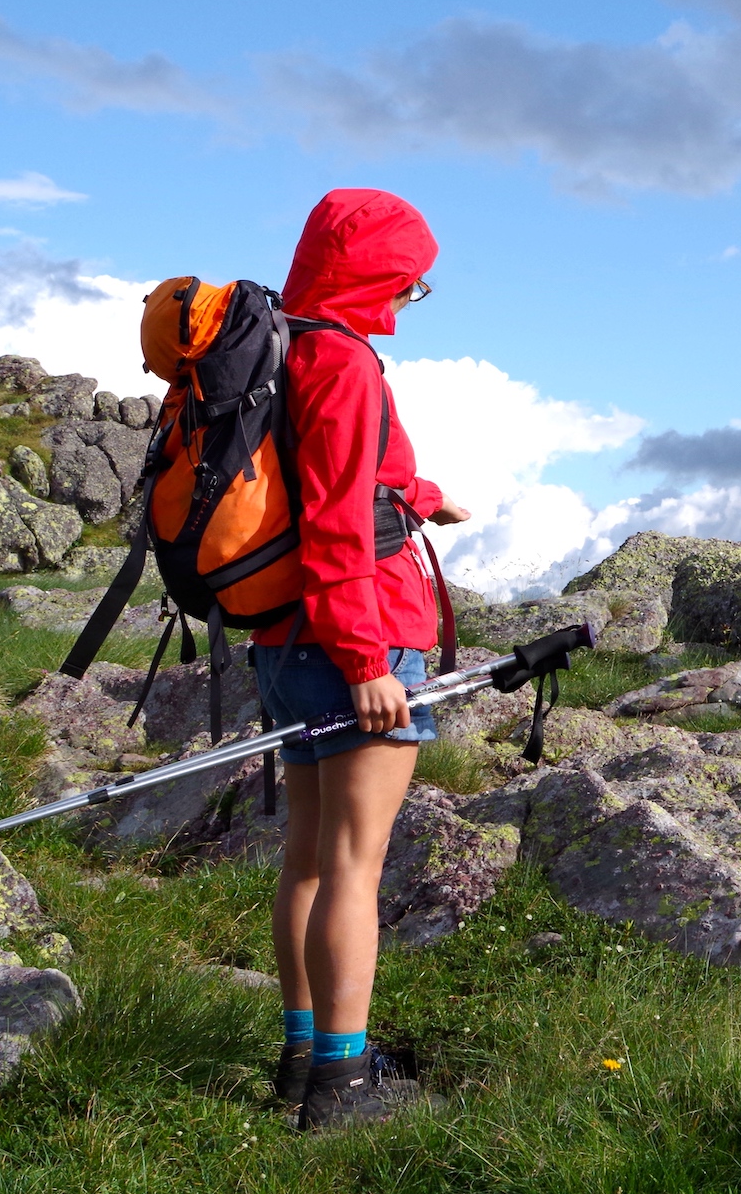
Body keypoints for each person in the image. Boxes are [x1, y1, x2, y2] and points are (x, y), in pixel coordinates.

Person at [253, 189, 470, 1129]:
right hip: (356, 635)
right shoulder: (343, 360)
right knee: (354, 865)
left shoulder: (289, 347)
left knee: (307, 857)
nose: (408, 299)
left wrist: (422, 492)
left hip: (283, 636)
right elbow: (340, 520)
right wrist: (366, 661)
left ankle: (303, 1059)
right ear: (376, 272)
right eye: (408, 283)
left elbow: (334, 476)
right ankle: (343, 1088)